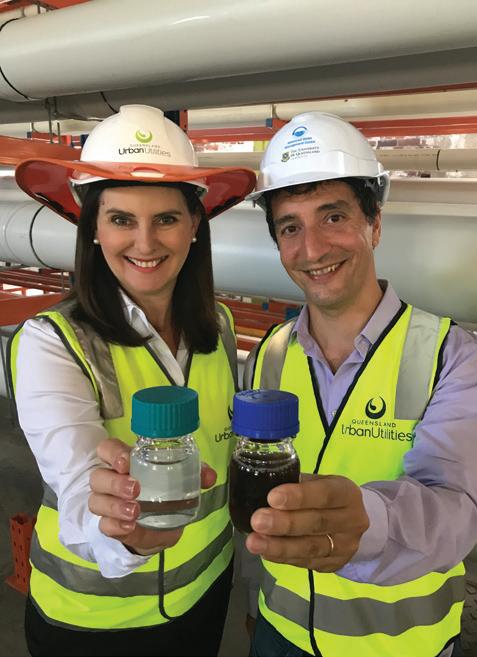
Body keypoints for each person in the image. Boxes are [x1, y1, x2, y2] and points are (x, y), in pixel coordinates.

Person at [241, 112, 477, 657]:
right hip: (278, 631)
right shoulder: (269, 355)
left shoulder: (453, 357)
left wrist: (368, 521)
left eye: (333, 216)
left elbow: (457, 509)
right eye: (290, 227)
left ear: (374, 224)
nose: (312, 249)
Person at [8, 104, 255, 657]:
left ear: (195, 225)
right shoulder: (53, 342)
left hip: (205, 595)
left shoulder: (218, 325)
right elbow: (77, 483)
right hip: (95, 623)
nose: (145, 243)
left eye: (166, 219)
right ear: (92, 228)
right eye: (121, 219)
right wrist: (124, 535)